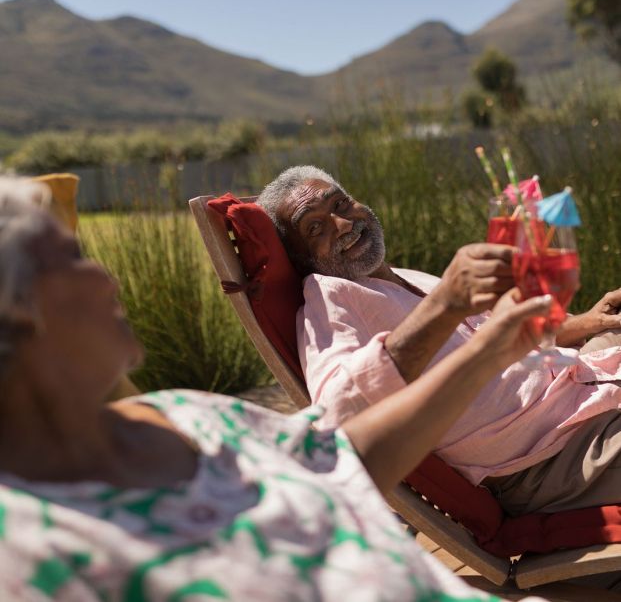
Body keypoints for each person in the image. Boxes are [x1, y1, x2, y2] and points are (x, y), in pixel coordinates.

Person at [0, 181, 555, 601]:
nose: (107, 278)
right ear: (14, 315)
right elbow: (340, 403)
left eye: (342, 204)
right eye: (72, 260)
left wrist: (490, 351)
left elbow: (336, 457)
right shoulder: (32, 550)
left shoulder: (184, 414)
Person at [257, 165, 621, 517]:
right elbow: (337, 416)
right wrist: (445, 304)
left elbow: (499, 332)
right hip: (552, 455)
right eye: (315, 228)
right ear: (302, 258)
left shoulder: (396, 277)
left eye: (339, 204)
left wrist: (586, 322)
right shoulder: (328, 297)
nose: (343, 224)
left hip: (581, 390)